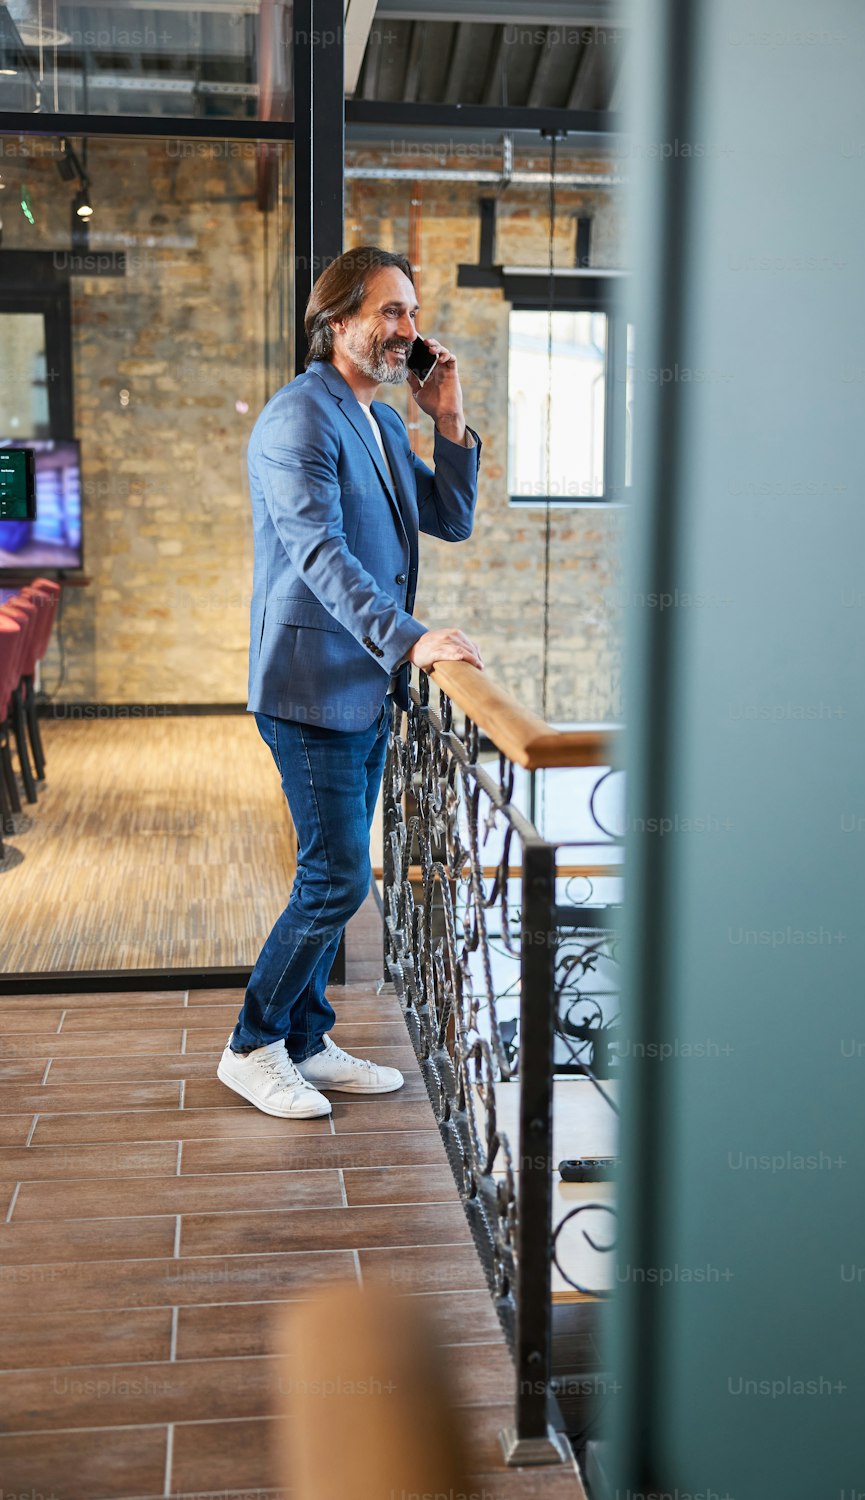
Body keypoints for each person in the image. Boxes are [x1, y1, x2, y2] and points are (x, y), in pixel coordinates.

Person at [218, 246, 484, 1119]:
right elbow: (322, 558)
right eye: (390, 312)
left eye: (412, 311)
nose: (408, 328)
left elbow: (448, 518)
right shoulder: (301, 419)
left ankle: (306, 1037)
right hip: (309, 686)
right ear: (336, 322)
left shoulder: (374, 419)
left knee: (337, 870)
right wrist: (411, 642)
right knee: (336, 877)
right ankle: (254, 1044)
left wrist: (447, 421)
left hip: (359, 685)